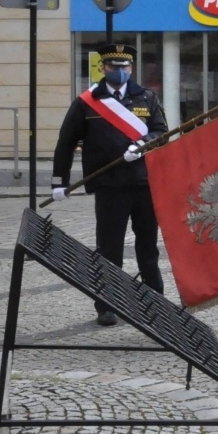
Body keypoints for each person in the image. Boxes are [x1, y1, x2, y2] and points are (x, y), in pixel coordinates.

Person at [50, 43, 168, 326]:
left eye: (126, 66)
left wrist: (142, 144)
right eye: (114, 66)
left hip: (143, 184)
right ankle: (106, 304)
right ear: (102, 67)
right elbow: (66, 142)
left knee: (148, 247)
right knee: (109, 248)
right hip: (109, 186)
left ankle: (156, 301)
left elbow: (162, 132)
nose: (121, 71)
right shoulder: (87, 102)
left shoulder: (146, 97)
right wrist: (59, 181)